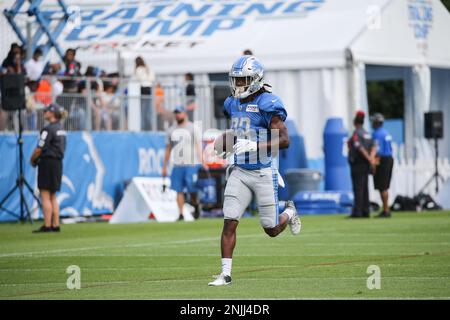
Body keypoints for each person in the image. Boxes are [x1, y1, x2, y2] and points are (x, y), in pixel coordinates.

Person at [208, 55, 301, 286]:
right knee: (229, 220)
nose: (238, 85)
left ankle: (289, 212)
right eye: (236, 80)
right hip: (240, 170)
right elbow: (238, 131)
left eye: (243, 80)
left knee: (271, 229)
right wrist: (225, 144)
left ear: (256, 79)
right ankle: (225, 274)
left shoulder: (268, 103)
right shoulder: (231, 103)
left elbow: (285, 140)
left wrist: (256, 145)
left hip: (263, 171)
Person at [162, 105, 206, 221]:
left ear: (185, 113)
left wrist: (202, 161)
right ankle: (180, 214)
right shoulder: (171, 130)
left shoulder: (192, 128)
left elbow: (198, 145)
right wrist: (164, 166)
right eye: (176, 113)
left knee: (192, 189)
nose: (177, 115)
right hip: (177, 164)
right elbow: (168, 149)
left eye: (179, 112)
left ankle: (195, 203)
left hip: (192, 163)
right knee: (178, 189)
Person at [30, 103, 67, 233]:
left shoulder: (48, 129)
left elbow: (39, 148)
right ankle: (55, 224)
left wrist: (32, 159)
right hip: (58, 163)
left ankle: (47, 225)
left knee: (45, 195)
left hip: (47, 163)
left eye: (47, 111)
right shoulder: (61, 129)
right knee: (53, 196)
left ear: (52, 113)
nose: (45, 113)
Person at [347, 110, 375, 218]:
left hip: (358, 163)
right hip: (366, 164)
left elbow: (359, 147)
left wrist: (368, 158)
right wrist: (371, 159)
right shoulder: (367, 133)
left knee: (358, 188)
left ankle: (358, 212)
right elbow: (373, 146)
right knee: (365, 188)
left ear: (355, 122)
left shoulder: (356, 133)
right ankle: (365, 210)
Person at [370, 113, 394, 218]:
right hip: (389, 159)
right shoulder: (386, 132)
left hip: (382, 160)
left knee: (382, 187)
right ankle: (386, 209)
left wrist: (373, 164)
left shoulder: (377, 134)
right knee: (384, 186)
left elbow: (376, 150)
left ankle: (386, 210)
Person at [134, 56, 155, 130]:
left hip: (142, 89)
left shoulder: (138, 69)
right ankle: (150, 127)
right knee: (148, 110)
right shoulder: (148, 69)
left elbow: (137, 79)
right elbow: (152, 79)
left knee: (142, 110)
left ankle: (143, 127)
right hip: (149, 89)